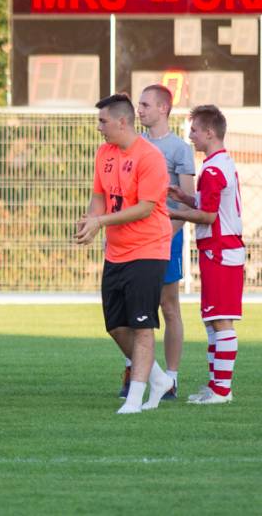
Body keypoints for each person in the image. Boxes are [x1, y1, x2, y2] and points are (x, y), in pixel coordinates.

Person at [75, 93, 174, 414]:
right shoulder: (103, 153)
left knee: (142, 326)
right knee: (116, 326)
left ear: (122, 122)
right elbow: (99, 196)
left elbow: (145, 208)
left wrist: (101, 221)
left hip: (149, 249)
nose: (99, 127)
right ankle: (159, 379)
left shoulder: (150, 157)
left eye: (102, 121)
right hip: (116, 252)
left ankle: (134, 400)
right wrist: (91, 221)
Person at [168, 105, 244, 405]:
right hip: (219, 249)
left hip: (220, 250)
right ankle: (216, 386)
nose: (191, 136)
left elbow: (210, 217)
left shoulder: (212, 170)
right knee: (213, 320)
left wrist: (175, 213)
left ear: (210, 132)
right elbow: (211, 206)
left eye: (195, 130)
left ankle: (222, 390)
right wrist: (186, 198)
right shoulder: (220, 163)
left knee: (221, 320)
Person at [134, 84, 194, 400]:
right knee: (133, 307)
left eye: (145, 104)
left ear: (163, 108)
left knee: (168, 306)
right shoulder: (133, 144)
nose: (139, 110)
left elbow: (187, 204)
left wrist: (167, 233)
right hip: (134, 237)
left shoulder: (179, 149)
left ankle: (171, 378)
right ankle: (137, 373)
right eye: (138, 104)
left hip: (166, 236)